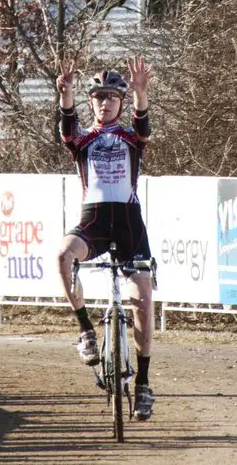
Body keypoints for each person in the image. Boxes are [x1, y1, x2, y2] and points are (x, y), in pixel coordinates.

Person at [56, 55, 155, 421]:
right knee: (63, 256)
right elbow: (67, 129)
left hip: (129, 225)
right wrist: (65, 93)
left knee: (143, 303)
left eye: (112, 96)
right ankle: (86, 331)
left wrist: (142, 92)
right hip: (93, 221)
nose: (105, 102)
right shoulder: (84, 140)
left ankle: (143, 385)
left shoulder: (130, 137)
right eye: (99, 97)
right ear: (92, 102)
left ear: (121, 101)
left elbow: (143, 127)